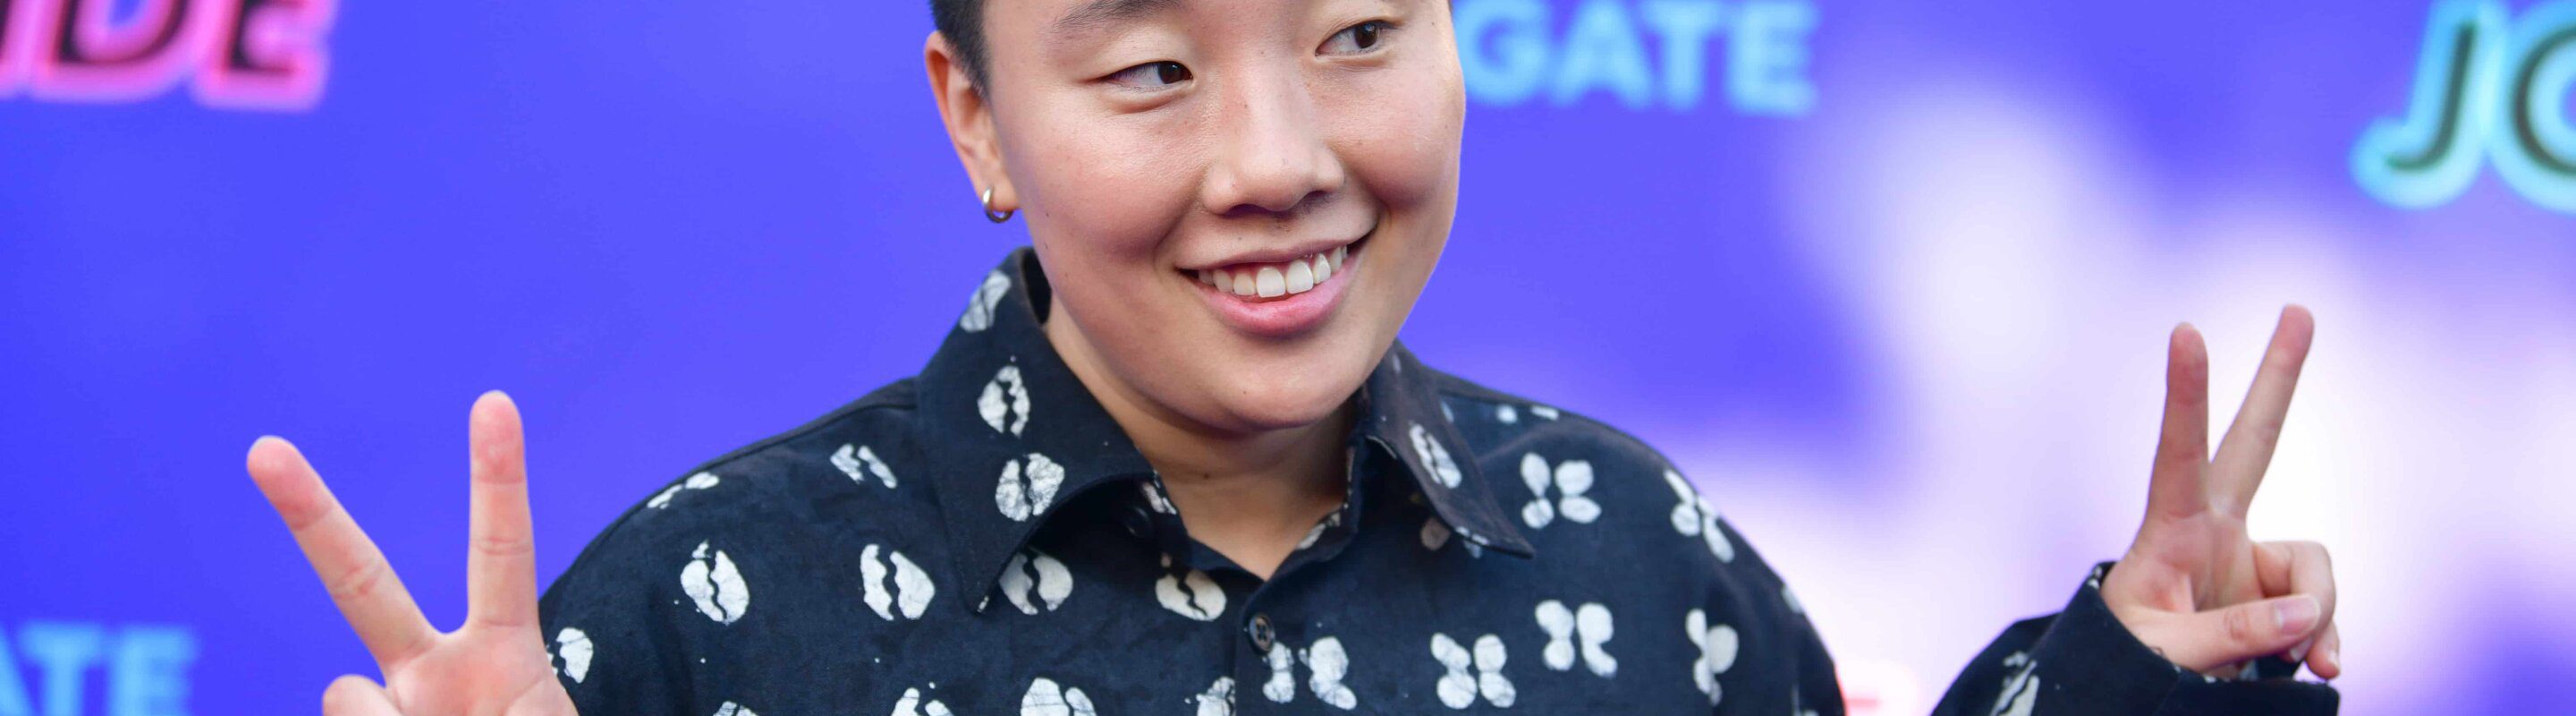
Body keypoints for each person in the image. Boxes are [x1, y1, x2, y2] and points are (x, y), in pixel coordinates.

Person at [242, 1, 2343, 713]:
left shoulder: (1631, 554)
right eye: (1151, 69)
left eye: (1355, 33)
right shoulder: (710, 616)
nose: (1278, 160)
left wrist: (2145, 673)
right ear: (978, 120)